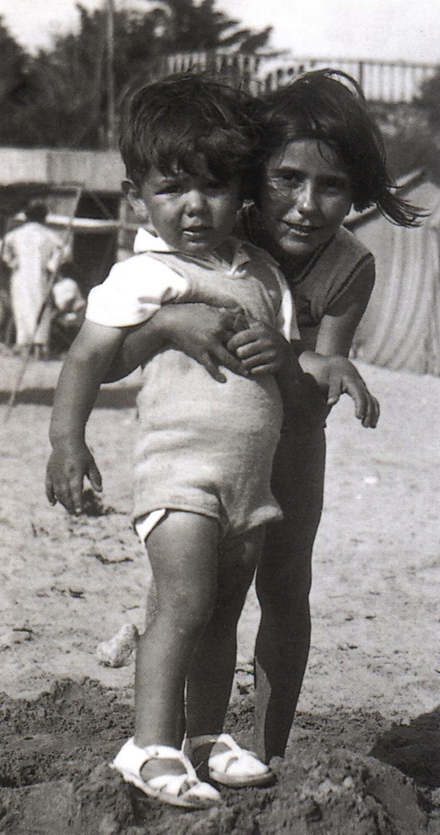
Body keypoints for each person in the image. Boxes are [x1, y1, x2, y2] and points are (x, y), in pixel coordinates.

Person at [107, 69, 420, 765]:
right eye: (286, 178)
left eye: (331, 186)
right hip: (199, 434)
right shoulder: (210, 227)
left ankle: (265, 749)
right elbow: (114, 345)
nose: (307, 204)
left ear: (357, 192)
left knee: (285, 586)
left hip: (292, 435)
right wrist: (167, 326)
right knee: (188, 592)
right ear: (254, 176)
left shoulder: (348, 265)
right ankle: (168, 738)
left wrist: (296, 358)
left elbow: (312, 405)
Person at [45, 73, 319, 810]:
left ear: (244, 192)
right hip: (178, 474)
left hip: (247, 483)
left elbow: (291, 389)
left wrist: (281, 358)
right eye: (172, 190)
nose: (195, 207)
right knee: (183, 600)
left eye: (215, 187)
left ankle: (202, 737)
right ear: (137, 198)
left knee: (223, 610)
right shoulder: (144, 274)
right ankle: (150, 743)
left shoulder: (264, 274)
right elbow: (87, 359)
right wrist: (67, 441)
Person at [1, 201, 64, 358]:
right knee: (37, 308)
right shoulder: (49, 235)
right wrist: (51, 266)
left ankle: (29, 345)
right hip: (38, 276)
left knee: (26, 307)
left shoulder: (16, 234)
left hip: (23, 276)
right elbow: (63, 251)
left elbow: (2, 248)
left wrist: (12, 261)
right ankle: (35, 346)